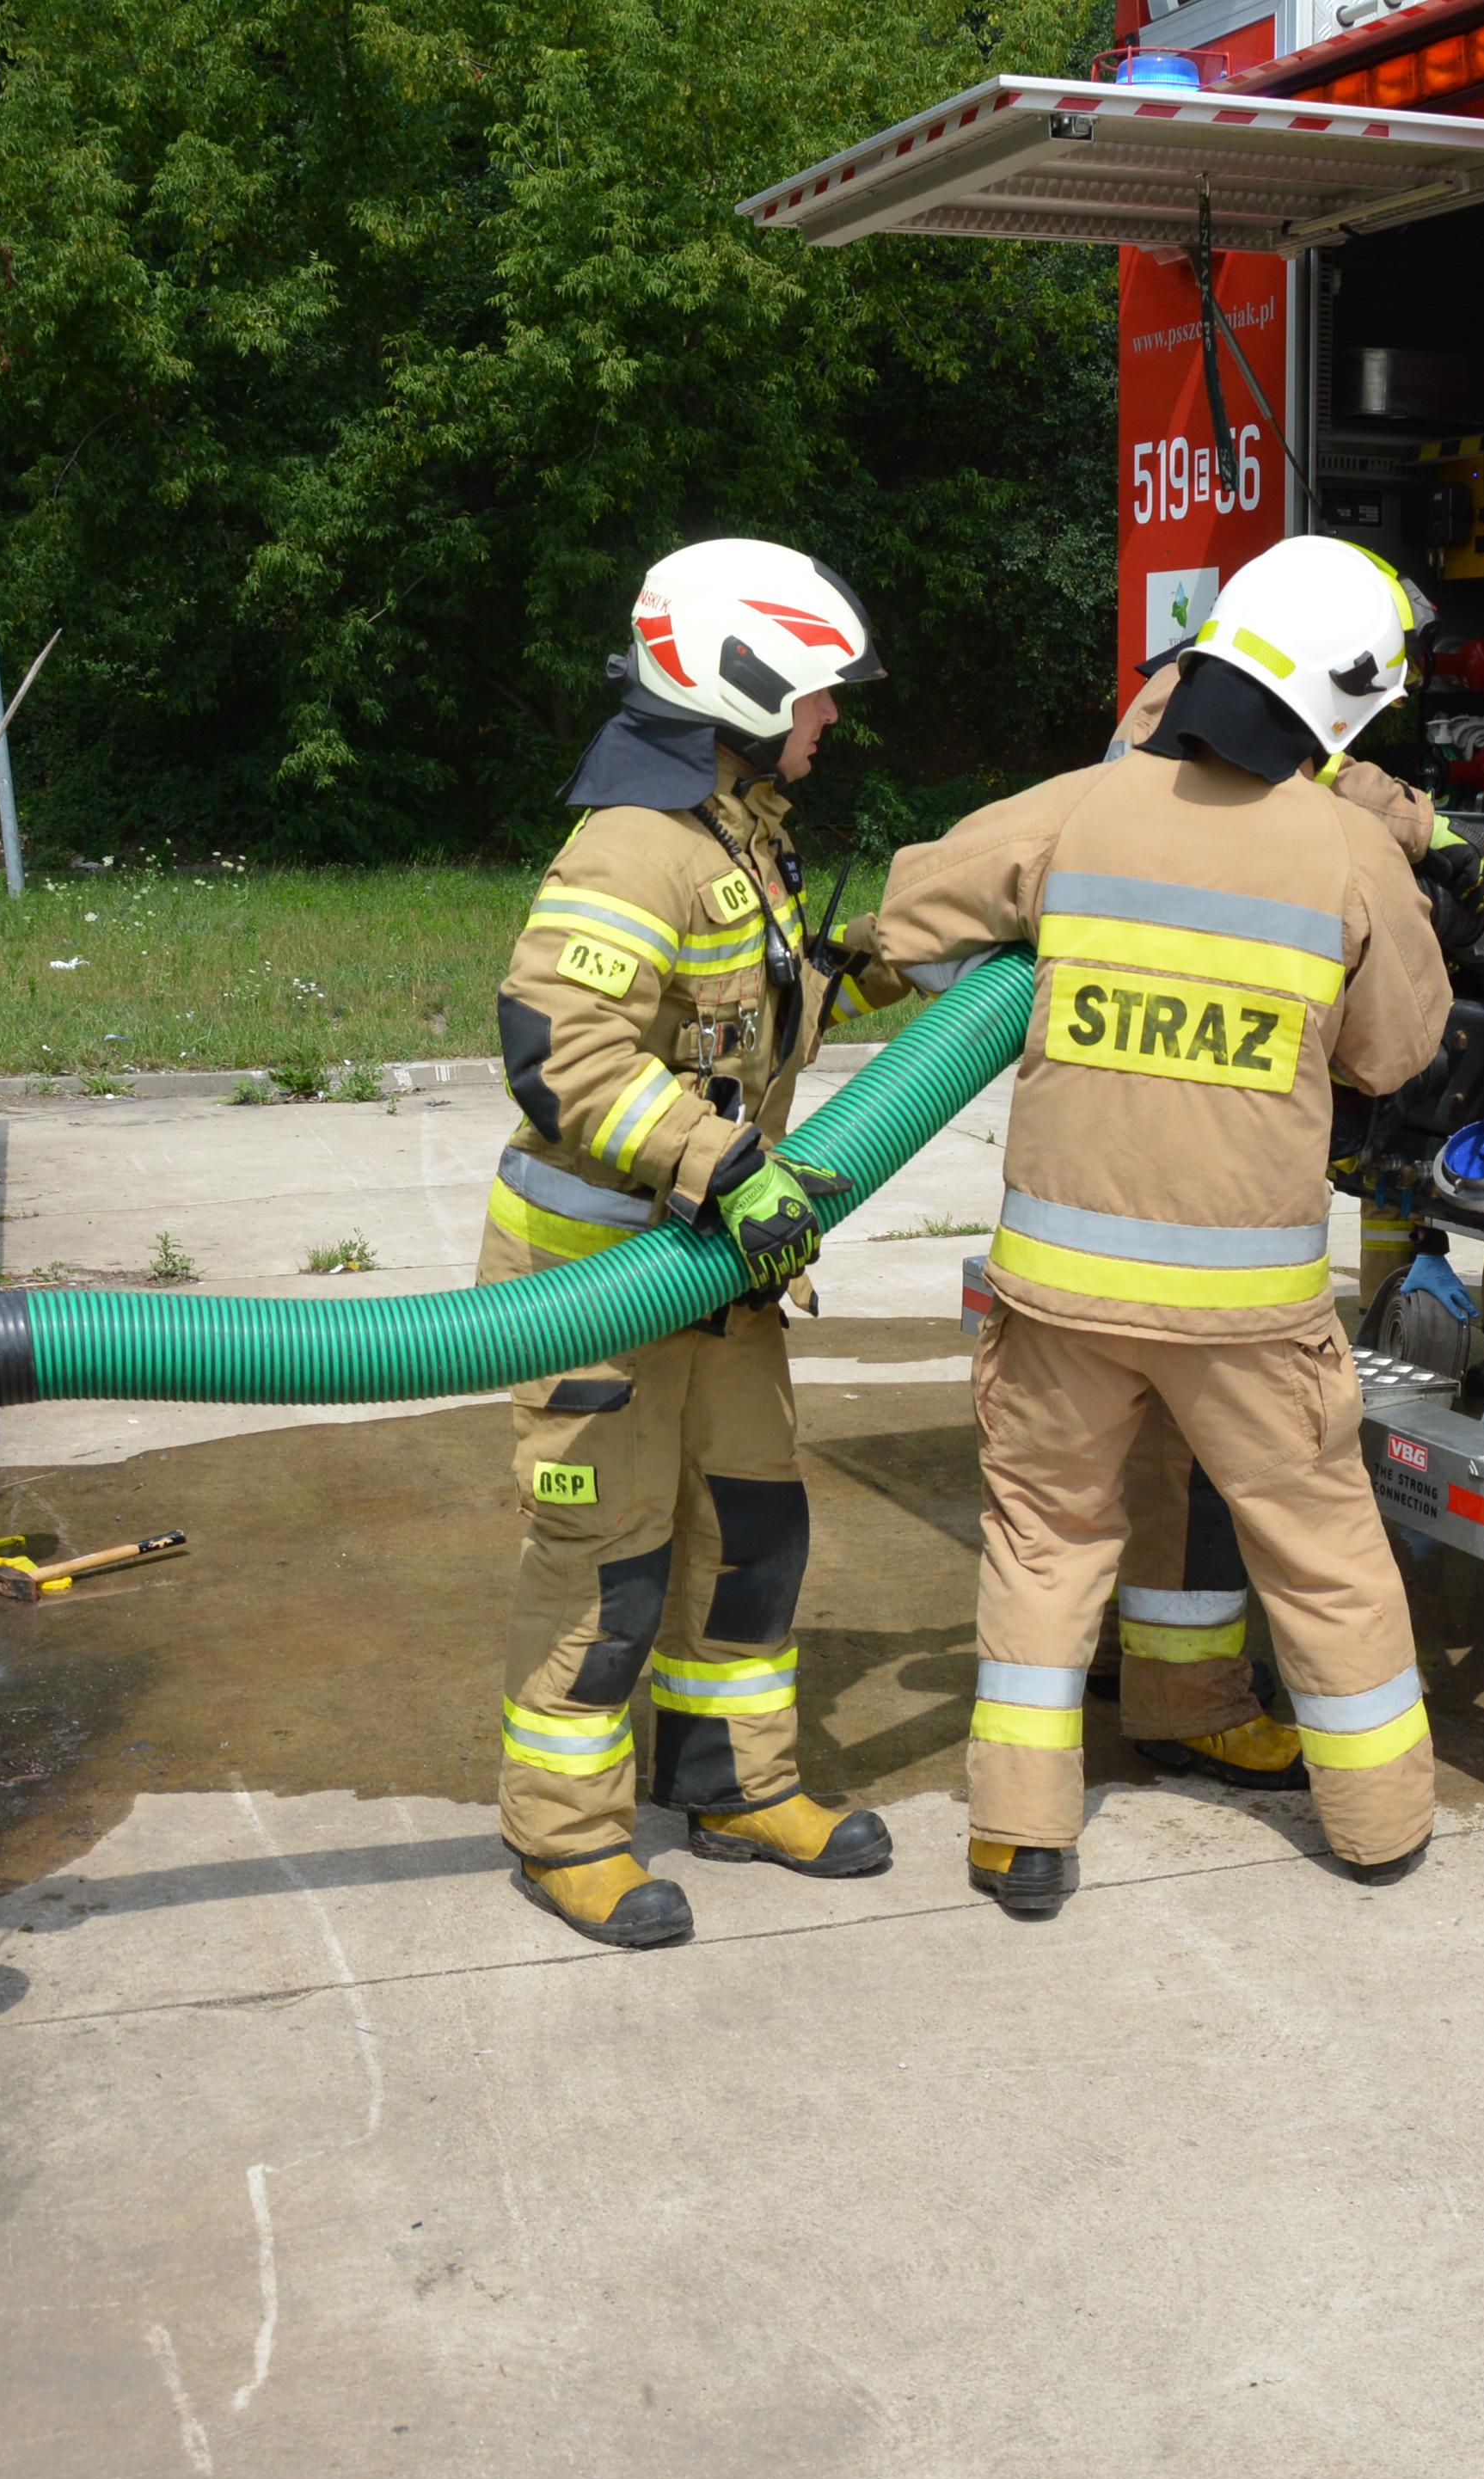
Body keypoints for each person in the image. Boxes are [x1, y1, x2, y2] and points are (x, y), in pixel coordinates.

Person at [876, 536, 1453, 1919]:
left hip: (1059, 1299)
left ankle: (1020, 1839)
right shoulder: (1346, 852)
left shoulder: (1081, 808)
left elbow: (907, 911)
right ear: (1344, 698)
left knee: (1044, 1546)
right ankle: (1378, 1828)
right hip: (1246, 1317)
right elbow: (1398, 1052)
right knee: (1321, 1554)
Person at [481, 537, 898, 1949]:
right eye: (817, 691)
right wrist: (722, 1166)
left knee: (748, 1533)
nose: (830, 716)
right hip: (597, 1287)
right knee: (609, 1567)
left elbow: (751, 1013)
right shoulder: (633, 846)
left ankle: (737, 1789)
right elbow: (564, 1050)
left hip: (718, 1280)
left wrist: (883, 965)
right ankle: (567, 1839)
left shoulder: (735, 834)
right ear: (742, 684)